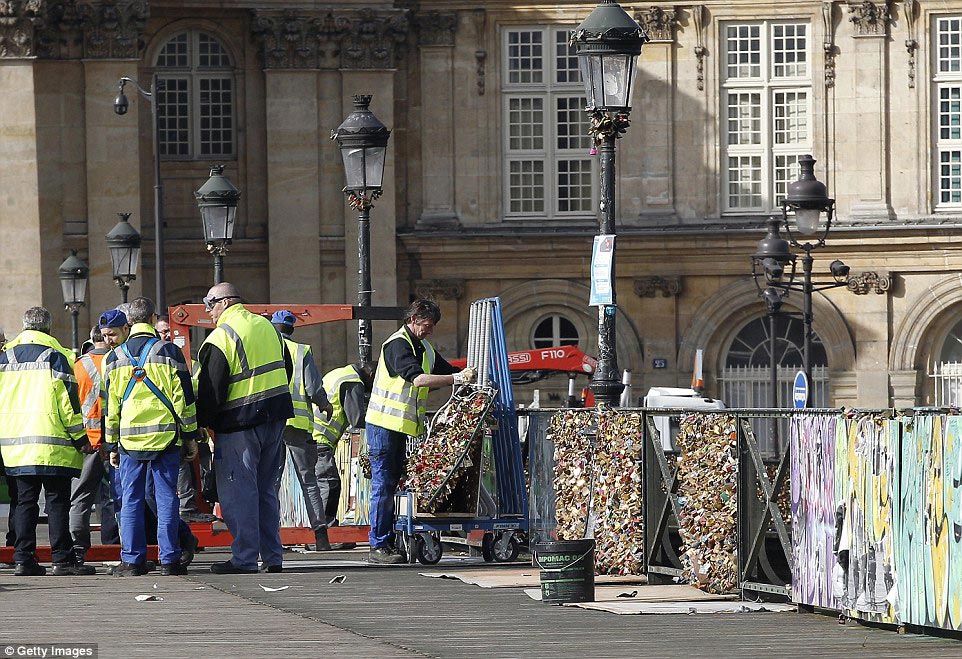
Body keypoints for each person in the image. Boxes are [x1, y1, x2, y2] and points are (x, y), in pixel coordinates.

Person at [364, 299, 475, 564]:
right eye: (427, 325)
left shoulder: (424, 348)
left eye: (433, 326)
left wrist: (467, 374)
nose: (430, 331)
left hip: (399, 427)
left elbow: (447, 370)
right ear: (413, 319)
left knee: (393, 483)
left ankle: (388, 542)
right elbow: (419, 379)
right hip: (383, 424)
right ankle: (378, 546)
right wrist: (457, 379)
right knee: (383, 484)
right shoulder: (396, 345)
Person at [196, 283, 293, 574]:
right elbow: (285, 368)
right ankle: (273, 557)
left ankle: (245, 558)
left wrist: (204, 425)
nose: (208, 312)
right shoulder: (268, 328)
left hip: (239, 424)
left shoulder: (222, 337)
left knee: (240, 493)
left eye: (209, 304)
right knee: (266, 490)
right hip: (274, 419)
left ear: (223, 302)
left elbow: (211, 390)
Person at [103, 297, 199, 577]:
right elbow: (184, 399)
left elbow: (111, 408)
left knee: (131, 499)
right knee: (167, 498)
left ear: (129, 322)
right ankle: (169, 559)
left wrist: (111, 444)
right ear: (153, 317)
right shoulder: (169, 351)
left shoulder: (115, 357)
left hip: (129, 442)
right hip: (165, 438)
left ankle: (132, 560)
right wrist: (190, 435)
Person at [0, 307, 94, 576]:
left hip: (15, 444)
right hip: (54, 444)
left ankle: (22, 558)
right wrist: (80, 438)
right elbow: (67, 404)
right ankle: (61, 559)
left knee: (23, 503)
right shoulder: (56, 356)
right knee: (56, 503)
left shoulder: (5, 357)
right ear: (49, 328)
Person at [271, 310, 334, 551]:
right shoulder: (301, 351)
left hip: (274, 423)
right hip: (298, 424)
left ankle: (270, 535)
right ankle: (321, 535)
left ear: (274, 327)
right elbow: (313, 387)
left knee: (271, 482)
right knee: (308, 481)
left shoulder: (268, 348)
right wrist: (325, 404)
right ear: (292, 329)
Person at [68, 325, 120, 570]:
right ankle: (122, 545)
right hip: (115, 441)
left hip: (87, 441)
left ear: (91, 339)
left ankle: (78, 550)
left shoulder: (78, 365)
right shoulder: (120, 360)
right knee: (122, 496)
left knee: (80, 499)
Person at [156, 316, 216, 523]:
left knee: (199, 470)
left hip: (191, 422)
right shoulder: (159, 359)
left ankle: (196, 503)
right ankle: (187, 508)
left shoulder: (193, 365)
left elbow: (197, 393)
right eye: (162, 331)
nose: (166, 335)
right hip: (172, 424)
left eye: (168, 331)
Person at [312, 361, 374, 550]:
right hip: (320, 439)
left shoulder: (338, 372)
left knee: (319, 486)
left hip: (312, 435)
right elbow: (357, 419)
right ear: (371, 376)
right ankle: (324, 533)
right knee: (330, 484)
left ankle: (320, 532)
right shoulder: (353, 381)